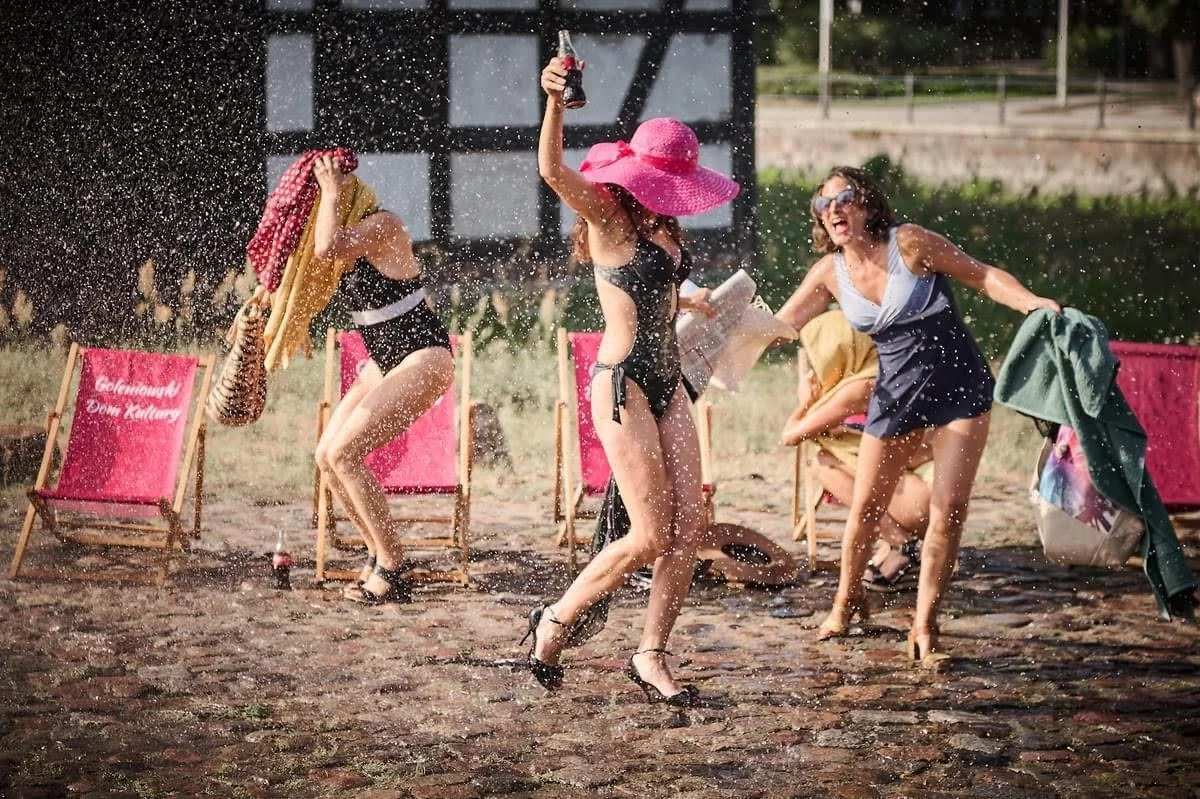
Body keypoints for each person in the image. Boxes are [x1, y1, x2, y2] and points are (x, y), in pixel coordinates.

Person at [775, 166, 1059, 669]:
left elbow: (982, 274)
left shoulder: (909, 243)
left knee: (950, 510)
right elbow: (777, 328)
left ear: (866, 204)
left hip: (960, 390)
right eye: (824, 204)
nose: (834, 209)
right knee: (864, 509)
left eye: (844, 198)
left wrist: (1030, 303)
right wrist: (715, 314)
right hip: (896, 396)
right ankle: (846, 600)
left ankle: (926, 624)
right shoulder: (829, 273)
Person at [524, 56, 739, 704]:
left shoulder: (664, 224)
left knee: (689, 524)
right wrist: (556, 102)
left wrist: (693, 297)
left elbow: (658, 286)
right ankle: (556, 617)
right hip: (624, 386)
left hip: (670, 379)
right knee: (648, 534)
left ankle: (650, 653)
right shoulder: (609, 220)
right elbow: (551, 170)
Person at [307, 154, 454, 605]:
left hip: (423, 357)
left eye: (330, 200)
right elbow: (308, 261)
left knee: (347, 453)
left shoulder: (382, 224)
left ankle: (393, 566)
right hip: (385, 360)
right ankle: (379, 555)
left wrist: (330, 187)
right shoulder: (349, 240)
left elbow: (325, 248)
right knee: (327, 457)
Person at [782, 310, 932, 592]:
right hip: (937, 496)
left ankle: (902, 542)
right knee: (855, 459)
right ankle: (903, 547)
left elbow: (790, 435)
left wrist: (805, 402)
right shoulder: (897, 369)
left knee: (822, 462)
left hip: (918, 500)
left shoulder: (858, 387)